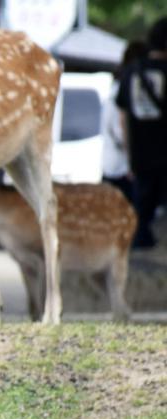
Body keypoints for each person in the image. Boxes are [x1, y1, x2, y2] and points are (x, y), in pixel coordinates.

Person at [117, 18, 167, 248]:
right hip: (163, 156)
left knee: (140, 223)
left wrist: (129, 159)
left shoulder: (130, 72)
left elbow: (123, 118)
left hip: (140, 158)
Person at [103, 40, 147, 203]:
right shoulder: (121, 90)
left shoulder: (118, 87)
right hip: (121, 170)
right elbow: (119, 132)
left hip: (116, 168)